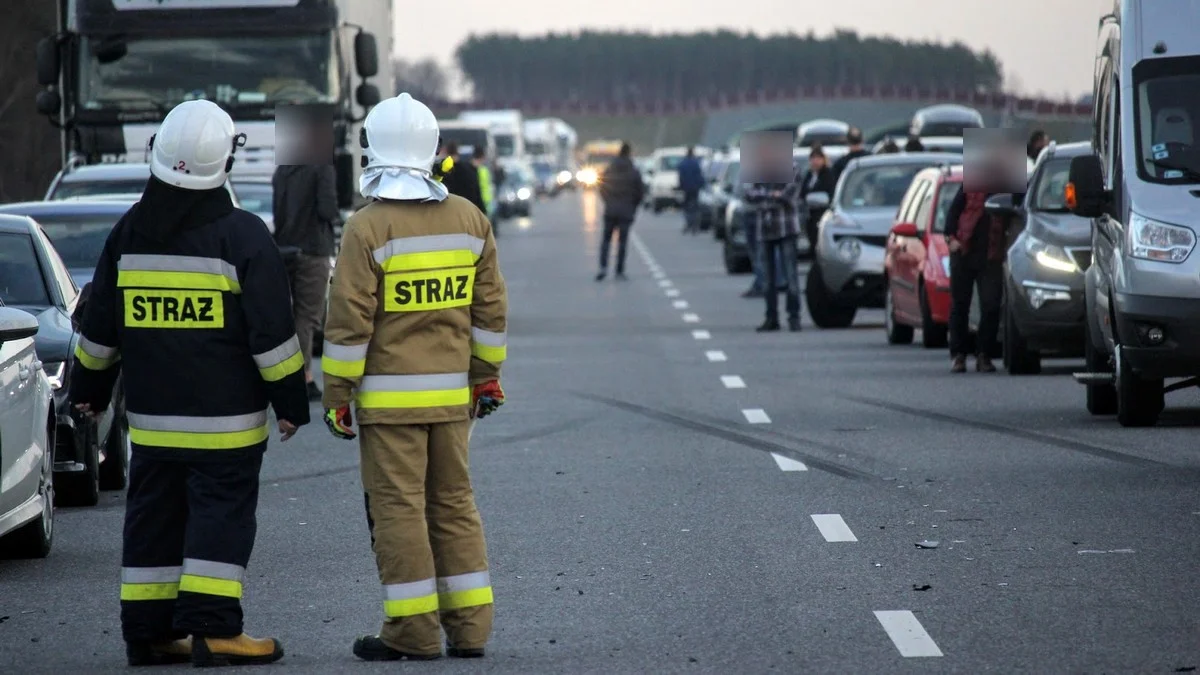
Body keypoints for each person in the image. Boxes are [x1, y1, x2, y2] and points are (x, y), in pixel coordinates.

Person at [68, 99, 310, 668]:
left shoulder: (129, 231)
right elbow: (272, 336)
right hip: (225, 428)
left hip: (152, 425)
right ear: (225, 161)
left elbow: (98, 325)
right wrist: (291, 402)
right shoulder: (243, 237)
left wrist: (89, 390)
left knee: (153, 519)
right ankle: (214, 630)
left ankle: (149, 632)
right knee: (220, 518)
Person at [321, 93, 507, 662]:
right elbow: (490, 310)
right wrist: (485, 377)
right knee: (453, 505)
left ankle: (414, 632)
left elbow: (349, 321)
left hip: (389, 404)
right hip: (454, 400)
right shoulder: (469, 219)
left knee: (400, 510)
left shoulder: (367, 227)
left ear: (372, 150)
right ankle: (470, 630)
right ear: (432, 151)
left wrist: (337, 396)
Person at [272, 120, 340, 401]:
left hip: (286, 247)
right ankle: (305, 377)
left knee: (289, 316)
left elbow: (278, 211)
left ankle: (288, 373)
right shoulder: (321, 167)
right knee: (308, 317)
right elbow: (327, 208)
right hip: (313, 248)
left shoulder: (283, 171)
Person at [944, 177, 1006, 373]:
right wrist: (951, 240)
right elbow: (952, 216)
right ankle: (958, 356)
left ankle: (984, 355)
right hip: (964, 252)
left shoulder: (1008, 190)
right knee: (960, 305)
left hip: (992, 256)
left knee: (991, 306)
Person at [743, 150, 803, 332]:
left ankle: (794, 317)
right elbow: (748, 193)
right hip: (765, 228)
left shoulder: (793, 168)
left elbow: (788, 195)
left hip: (786, 228)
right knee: (768, 278)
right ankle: (771, 317)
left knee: (791, 275)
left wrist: (766, 196)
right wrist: (773, 195)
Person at [595, 142, 645, 281]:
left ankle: (603, 267)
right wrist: (633, 206)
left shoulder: (610, 169)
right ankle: (619, 270)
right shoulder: (633, 171)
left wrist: (608, 201)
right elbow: (640, 192)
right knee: (623, 242)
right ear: (629, 153)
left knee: (606, 240)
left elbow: (601, 186)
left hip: (610, 210)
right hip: (626, 211)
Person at [799, 145, 837, 252]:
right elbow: (803, 192)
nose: (815, 161)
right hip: (809, 215)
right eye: (813, 158)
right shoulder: (809, 174)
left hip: (821, 214)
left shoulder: (828, 174)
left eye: (818, 158)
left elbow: (828, 194)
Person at [439, 141, 486, 213]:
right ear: (457, 152)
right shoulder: (469, 170)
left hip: (446, 211)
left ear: (446, 152)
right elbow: (476, 193)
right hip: (466, 211)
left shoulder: (439, 171)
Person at [677, 146, 705, 234]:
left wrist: (680, 186)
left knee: (686, 207)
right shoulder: (696, 163)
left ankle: (688, 223)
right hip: (695, 188)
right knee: (695, 206)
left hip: (686, 188)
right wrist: (701, 185)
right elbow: (700, 175)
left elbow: (680, 176)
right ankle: (694, 225)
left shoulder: (683, 163)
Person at [473, 147, 497, 222]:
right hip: (484, 202)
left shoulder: (471, 169)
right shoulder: (483, 170)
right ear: (483, 157)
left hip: (479, 201)